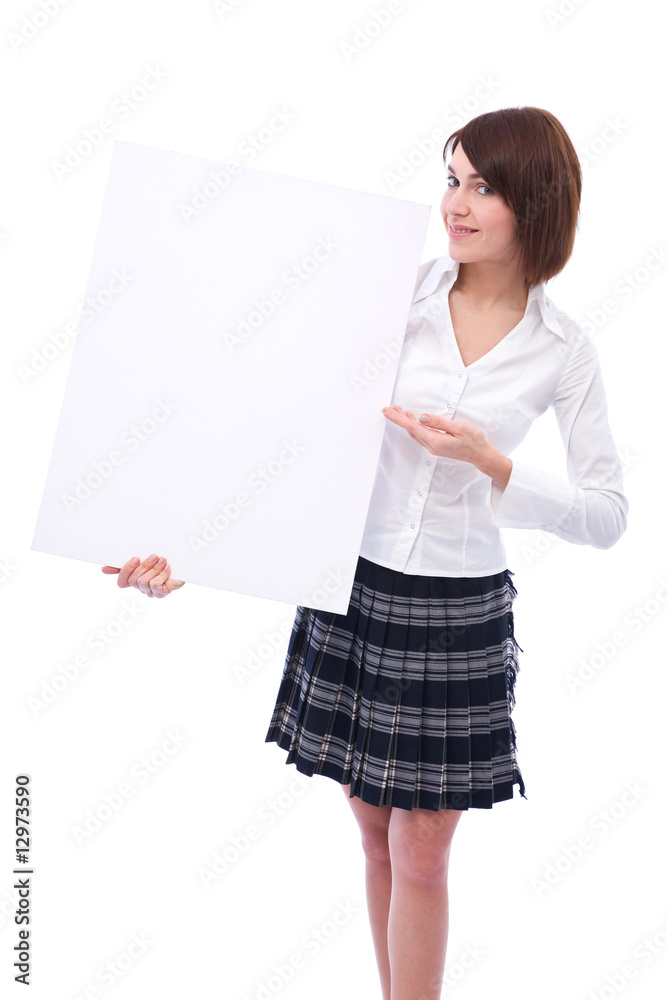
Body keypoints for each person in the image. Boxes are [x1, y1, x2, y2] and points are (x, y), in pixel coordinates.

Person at [103, 107, 628, 1000]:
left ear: (535, 204)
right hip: (351, 586)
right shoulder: (388, 295)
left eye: (482, 186)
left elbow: (607, 515)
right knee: (373, 831)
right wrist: (186, 553)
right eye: (451, 177)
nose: (454, 204)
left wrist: (491, 461)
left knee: (421, 853)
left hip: (457, 610)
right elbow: (289, 437)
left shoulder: (562, 350)